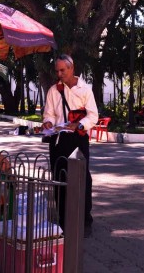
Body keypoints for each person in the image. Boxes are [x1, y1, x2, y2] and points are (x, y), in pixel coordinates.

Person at [42, 54, 98, 236]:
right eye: (57, 70)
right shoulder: (53, 90)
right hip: (58, 140)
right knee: (59, 178)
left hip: (78, 139)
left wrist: (80, 125)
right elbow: (49, 113)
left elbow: (93, 115)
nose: (59, 74)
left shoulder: (85, 90)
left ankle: (85, 220)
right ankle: (64, 221)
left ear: (71, 68)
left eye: (62, 70)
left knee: (82, 179)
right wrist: (48, 122)